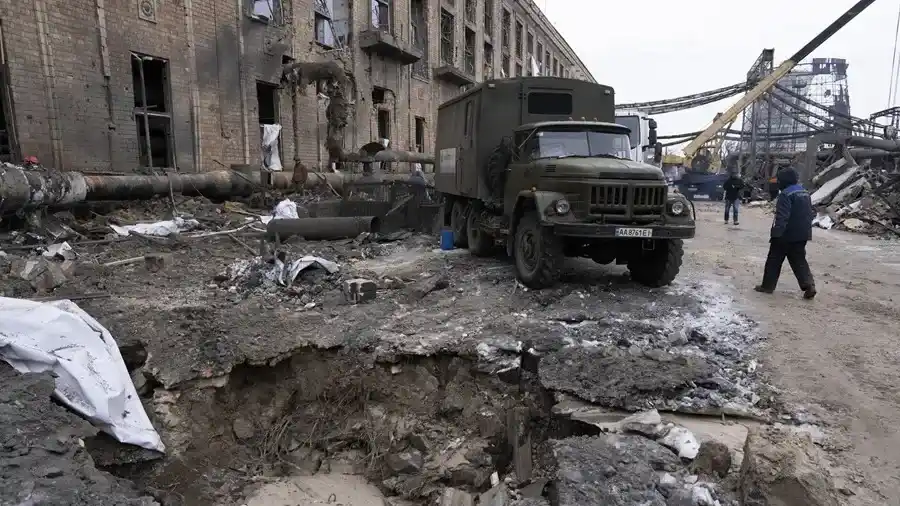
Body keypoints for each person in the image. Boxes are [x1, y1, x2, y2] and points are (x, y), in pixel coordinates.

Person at [754, 167, 816, 299]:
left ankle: (767, 286)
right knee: (799, 260)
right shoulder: (804, 192)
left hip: (786, 234)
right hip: (803, 233)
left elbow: (782, 216)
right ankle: (809, 285)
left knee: (774, 260)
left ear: (784, 181)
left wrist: (776, 233)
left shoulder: (785, 194)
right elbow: (809, 214)